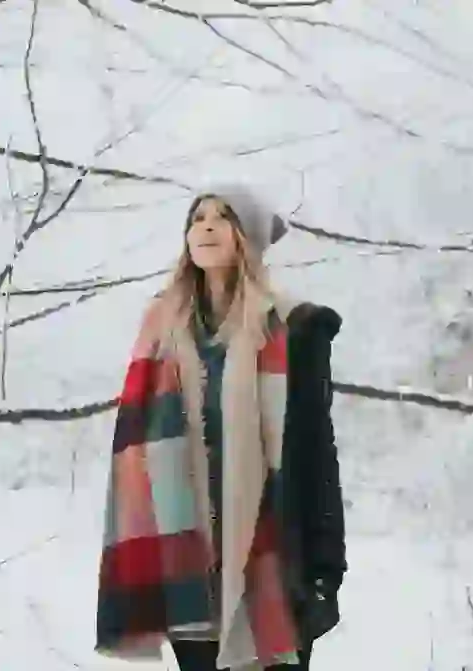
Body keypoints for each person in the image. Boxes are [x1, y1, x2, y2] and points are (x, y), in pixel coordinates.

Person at [95, 185, 347, 671]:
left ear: (246, 238)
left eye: (222, 217)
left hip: (270, 563)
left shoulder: (294, 328)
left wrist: (324, 574)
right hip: (187, 570)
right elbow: (134, 456)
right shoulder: (161, 332)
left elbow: (317, 455)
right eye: (197, 218)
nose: (206, 227)